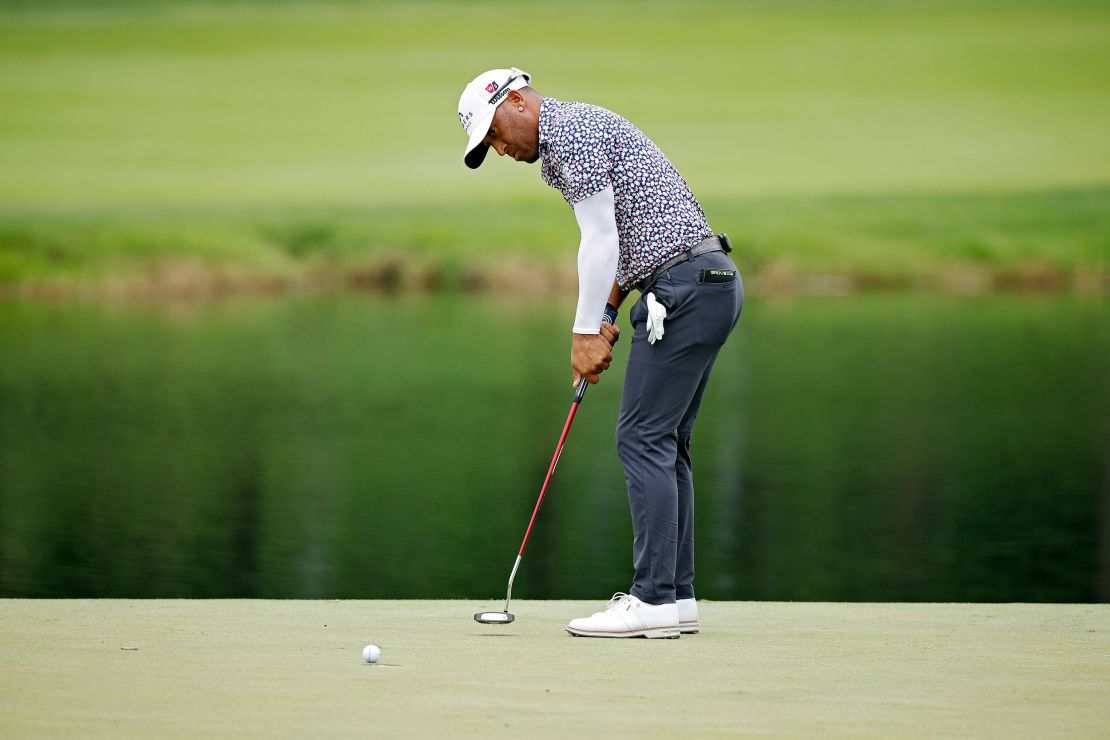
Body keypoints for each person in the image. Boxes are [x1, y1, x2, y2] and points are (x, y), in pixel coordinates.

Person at [457, 67, 743, 638]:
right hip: (708, 282)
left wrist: (585, 331)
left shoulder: (568, 136)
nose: (501, 148)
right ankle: (677, 597)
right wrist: (608, 312)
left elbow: (601, 240)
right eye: (488, 143)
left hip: (683, 289)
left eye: (495, 132)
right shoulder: (576, 133)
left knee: (641, 438)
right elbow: (624, 236)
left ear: (516, 100)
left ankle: (653, 600)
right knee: (666, 441)